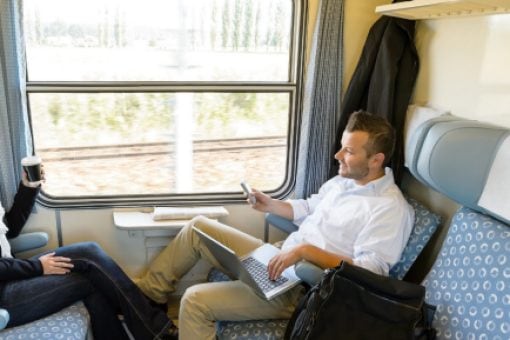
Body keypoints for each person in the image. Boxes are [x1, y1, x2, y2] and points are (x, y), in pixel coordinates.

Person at [136, 111, 415, 339]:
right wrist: (269, 204)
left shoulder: (390, 208)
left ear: (376, 160)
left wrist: (306, 252)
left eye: (349, 151)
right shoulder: (344, 182)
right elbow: (306, 208)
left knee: (194, 300)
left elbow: (371, 272)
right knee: (198, 228)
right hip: (280, 258)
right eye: (342, 147)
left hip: (302, 288)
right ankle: (145, 302)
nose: (338, 156)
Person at [0, 165, 178, 340]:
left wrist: (28, 188)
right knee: (92, 281)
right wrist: (37, 267)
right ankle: (155, 327)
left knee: (90, 253)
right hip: (5, 298)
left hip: (12, 274)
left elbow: (10, 228)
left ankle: (152, 322)